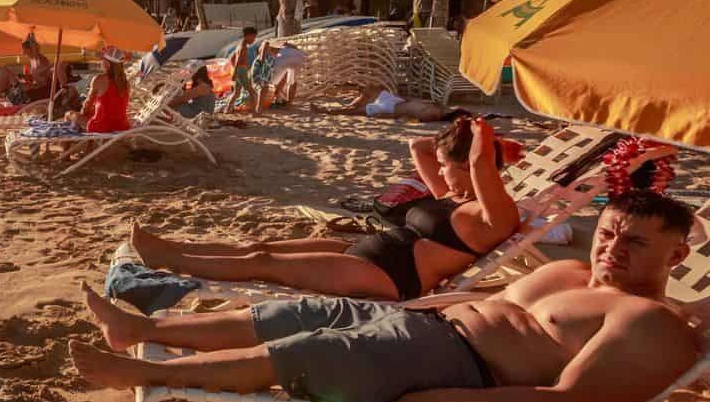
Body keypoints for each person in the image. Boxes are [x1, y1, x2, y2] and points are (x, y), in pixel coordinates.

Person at [73, 191, 701, 402]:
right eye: (609, 234)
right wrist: (412, 305)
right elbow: (487, 302)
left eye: (633, 243)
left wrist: (444, 400)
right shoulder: (569, 272)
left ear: (677, 254)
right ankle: (142, 330)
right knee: (294, 312)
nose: (612, 249)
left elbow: (565, 401)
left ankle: (143, 375)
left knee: (316, 354)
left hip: (459, 365)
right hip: (425, 322)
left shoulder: (651, 324)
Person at [126, 118, 520, 300]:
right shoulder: (454, 198)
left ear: (468, 165)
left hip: (387, 275)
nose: (441, 174)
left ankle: (170, 261)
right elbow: (419, 148)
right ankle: (173, 251)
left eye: (448, 167)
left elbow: (483, 165)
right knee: (259, 246)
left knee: (263, 261)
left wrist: (483, 132)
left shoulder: (493, 215)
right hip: (366, 250)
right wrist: (467, 134)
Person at [64, 48, 132, 133]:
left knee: (68, 115)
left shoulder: (99, 79)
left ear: (107, 63)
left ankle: (66, 146)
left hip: (102, 126)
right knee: (92, 113)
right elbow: (115, 106)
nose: (100, 61)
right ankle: (89, 146)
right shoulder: (126, 83)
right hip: (122, 126)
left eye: (102, 59)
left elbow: (87, 105)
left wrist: (82, 114)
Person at [319, 84, 461, 122]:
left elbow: (408, 117)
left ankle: (327, 111)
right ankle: (351, 105)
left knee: (354, 112)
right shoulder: (435, 106)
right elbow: (410, 101)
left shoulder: (433, 114)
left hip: (389, 108)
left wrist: (386, 116)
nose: (452, 107)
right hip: (395, 101)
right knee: (370, 88)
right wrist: (397, 96)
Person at [0, 38, 56, 107]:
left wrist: (31, 84)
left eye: (23, 49)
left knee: (4, 72)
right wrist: (24, 76)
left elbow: (43, 80)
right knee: (4, 76)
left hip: (28, 97)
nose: (22, 51)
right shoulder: (33, 60)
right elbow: (37, 77)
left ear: (30, 49)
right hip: (25, 95)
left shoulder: (41, 59)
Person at [256, 41, 307, 111]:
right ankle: (289, 105)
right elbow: (284, 77)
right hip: (299, 55)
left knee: (269, 81)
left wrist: (261, 63)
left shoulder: (263, 47)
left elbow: (265, 45)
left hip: (284, 56)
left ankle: (262, 105)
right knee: (292, 82)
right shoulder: (286, 46)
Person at [220, 26, 260, 112]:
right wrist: (236, 72)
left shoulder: (239, 45)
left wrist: (241, 68)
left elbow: (232, 59)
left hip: (240, 70)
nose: (254, 40)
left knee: (236, 93)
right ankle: (254, 112)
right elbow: (237, 60)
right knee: (252, 92)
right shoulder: (243, 47)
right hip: (241, 72)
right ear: (248, 36)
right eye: (253, 37)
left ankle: (227, 110)